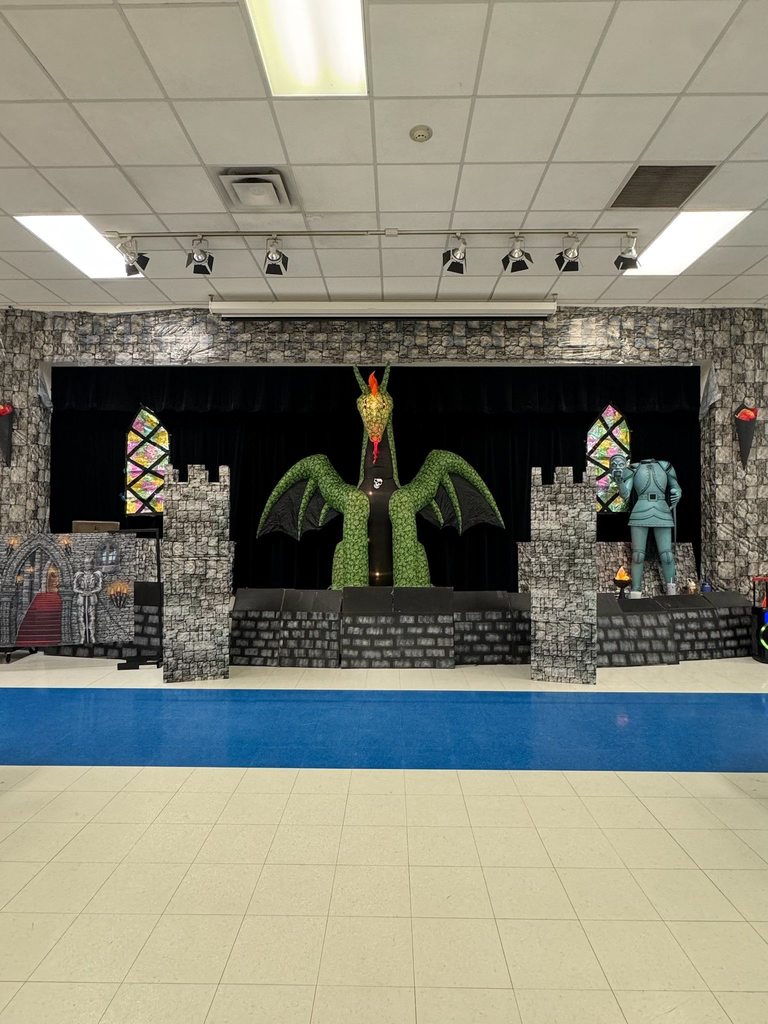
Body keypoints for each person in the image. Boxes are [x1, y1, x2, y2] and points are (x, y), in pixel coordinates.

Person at [610, 454, 682, 597]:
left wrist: (678, 492)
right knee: (637, 556)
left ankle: (672, 593)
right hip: (640, 510)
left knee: (667, 555)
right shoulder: (634, 468)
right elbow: (625, 495)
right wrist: (619, 482)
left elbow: (676, 486)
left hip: (662, 509)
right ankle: (635, 593)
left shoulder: (665, 466)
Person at [73, 555, 103, 644]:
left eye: (90, 563)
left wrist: (92, 591)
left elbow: (99, 587)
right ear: (84, 564)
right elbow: (75, 588)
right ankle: (82, 637)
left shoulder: (97, 575)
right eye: (86, 563)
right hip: (81, 599)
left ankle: (92, 636)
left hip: (92, 599)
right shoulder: (79, 575)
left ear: (92, 564)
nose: (88, 565)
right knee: (81, 619)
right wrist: (82, 592)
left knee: (93, 619)